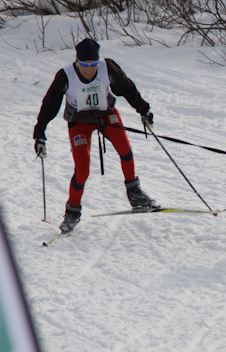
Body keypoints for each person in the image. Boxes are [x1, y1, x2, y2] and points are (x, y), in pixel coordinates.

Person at [33, 37, 157, 234]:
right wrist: (40, 133)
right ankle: (72, 213)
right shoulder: (65, 75)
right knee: (82, 170)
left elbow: (128, 89)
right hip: (79, 121)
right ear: (77, 61)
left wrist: (144, 110)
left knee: (125, 149)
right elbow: (50, 105)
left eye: (92, 64)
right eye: (84, 65)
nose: (89, 69)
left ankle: (135, 194)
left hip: (106, 115)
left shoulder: (107, 68)